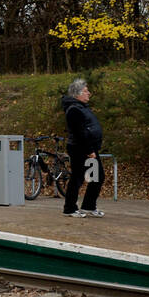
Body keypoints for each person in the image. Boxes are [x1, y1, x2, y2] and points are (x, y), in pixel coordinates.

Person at [61, 78, 104, 218]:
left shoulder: (82, 108)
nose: (89, 93)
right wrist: (89, 150)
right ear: (77, 94)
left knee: (96, 177)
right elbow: (80, 132)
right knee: (78, 178)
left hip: (89, 148)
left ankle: (88, 206)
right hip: (80, 149)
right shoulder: (74, 110)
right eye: (85, 91)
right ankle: (69, 208)